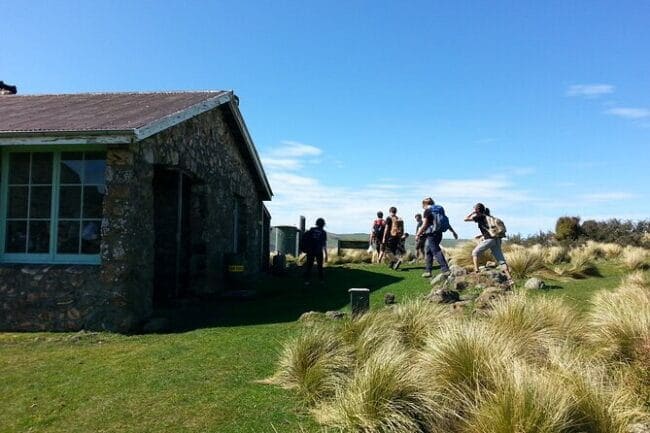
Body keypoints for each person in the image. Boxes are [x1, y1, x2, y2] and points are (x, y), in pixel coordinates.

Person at [463, 203, 513, 283]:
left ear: (477, 210)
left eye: (475, 209)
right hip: (497, 239)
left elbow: (465, 219)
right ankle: (510, 279)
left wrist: (473, 213)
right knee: (501, 260)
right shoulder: (490, 218)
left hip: (489, 240)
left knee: (475, 253)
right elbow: (489, 229)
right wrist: (481, 235)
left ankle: (476, 271)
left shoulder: (480, 217)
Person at [416, 197, 454, 278]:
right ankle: (428, 271)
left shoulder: (427, 211)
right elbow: (446, 221)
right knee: (428, 251)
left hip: (431, 234)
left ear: (424, 204)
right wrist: (453, 231)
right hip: (439, 233)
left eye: (422, 205)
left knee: (436, 251)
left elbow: (425, 224)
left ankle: (445, 269)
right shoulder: (440, 209)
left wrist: (418, 234)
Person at [303, 218, 328, 284]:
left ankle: (307, 281)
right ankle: (321, 280)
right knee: (320, 266)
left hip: (310, 250)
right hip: (318, 251)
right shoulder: (323, 232)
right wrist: (326, 254)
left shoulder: (311, 230)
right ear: (323, 224)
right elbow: (324, 244)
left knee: (309, 266)